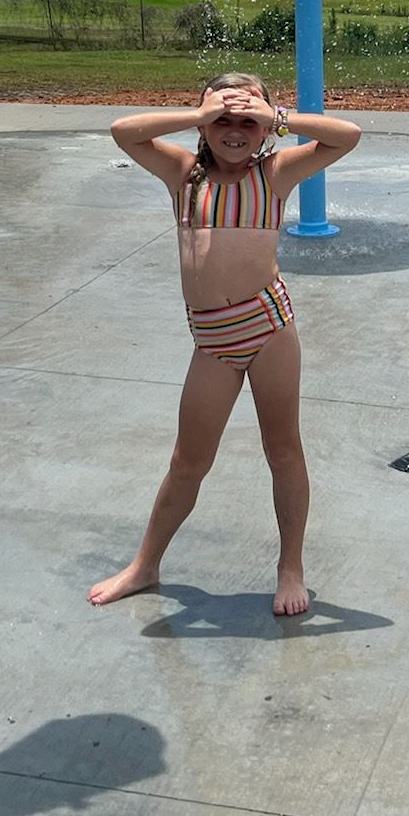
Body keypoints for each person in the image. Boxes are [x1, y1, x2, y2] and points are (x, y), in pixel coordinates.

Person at [88, 72, 361, 616]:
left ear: (264, 129)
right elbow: (123, 131)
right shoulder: (183, 174)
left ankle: (291, 567)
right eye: (223, 121)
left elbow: (346, 135)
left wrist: (275, 117)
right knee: (187, 461)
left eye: (247, 122)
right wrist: (200, 113)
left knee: (283, 450)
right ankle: (146, 565)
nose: (235, 132)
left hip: (267, 331)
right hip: (212, 341)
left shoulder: (276, 173)